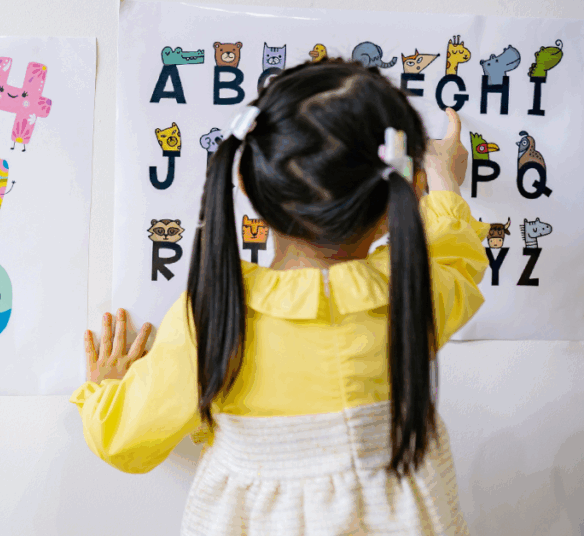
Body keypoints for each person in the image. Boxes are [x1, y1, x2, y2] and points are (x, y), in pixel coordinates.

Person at [71, 59, 489, 535]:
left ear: (247, 183)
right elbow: (457, 259)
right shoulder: (415, 292)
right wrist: (443, 179)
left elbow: (124, 439)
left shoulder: (212, 317)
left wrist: (104, 390)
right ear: (395, 200)